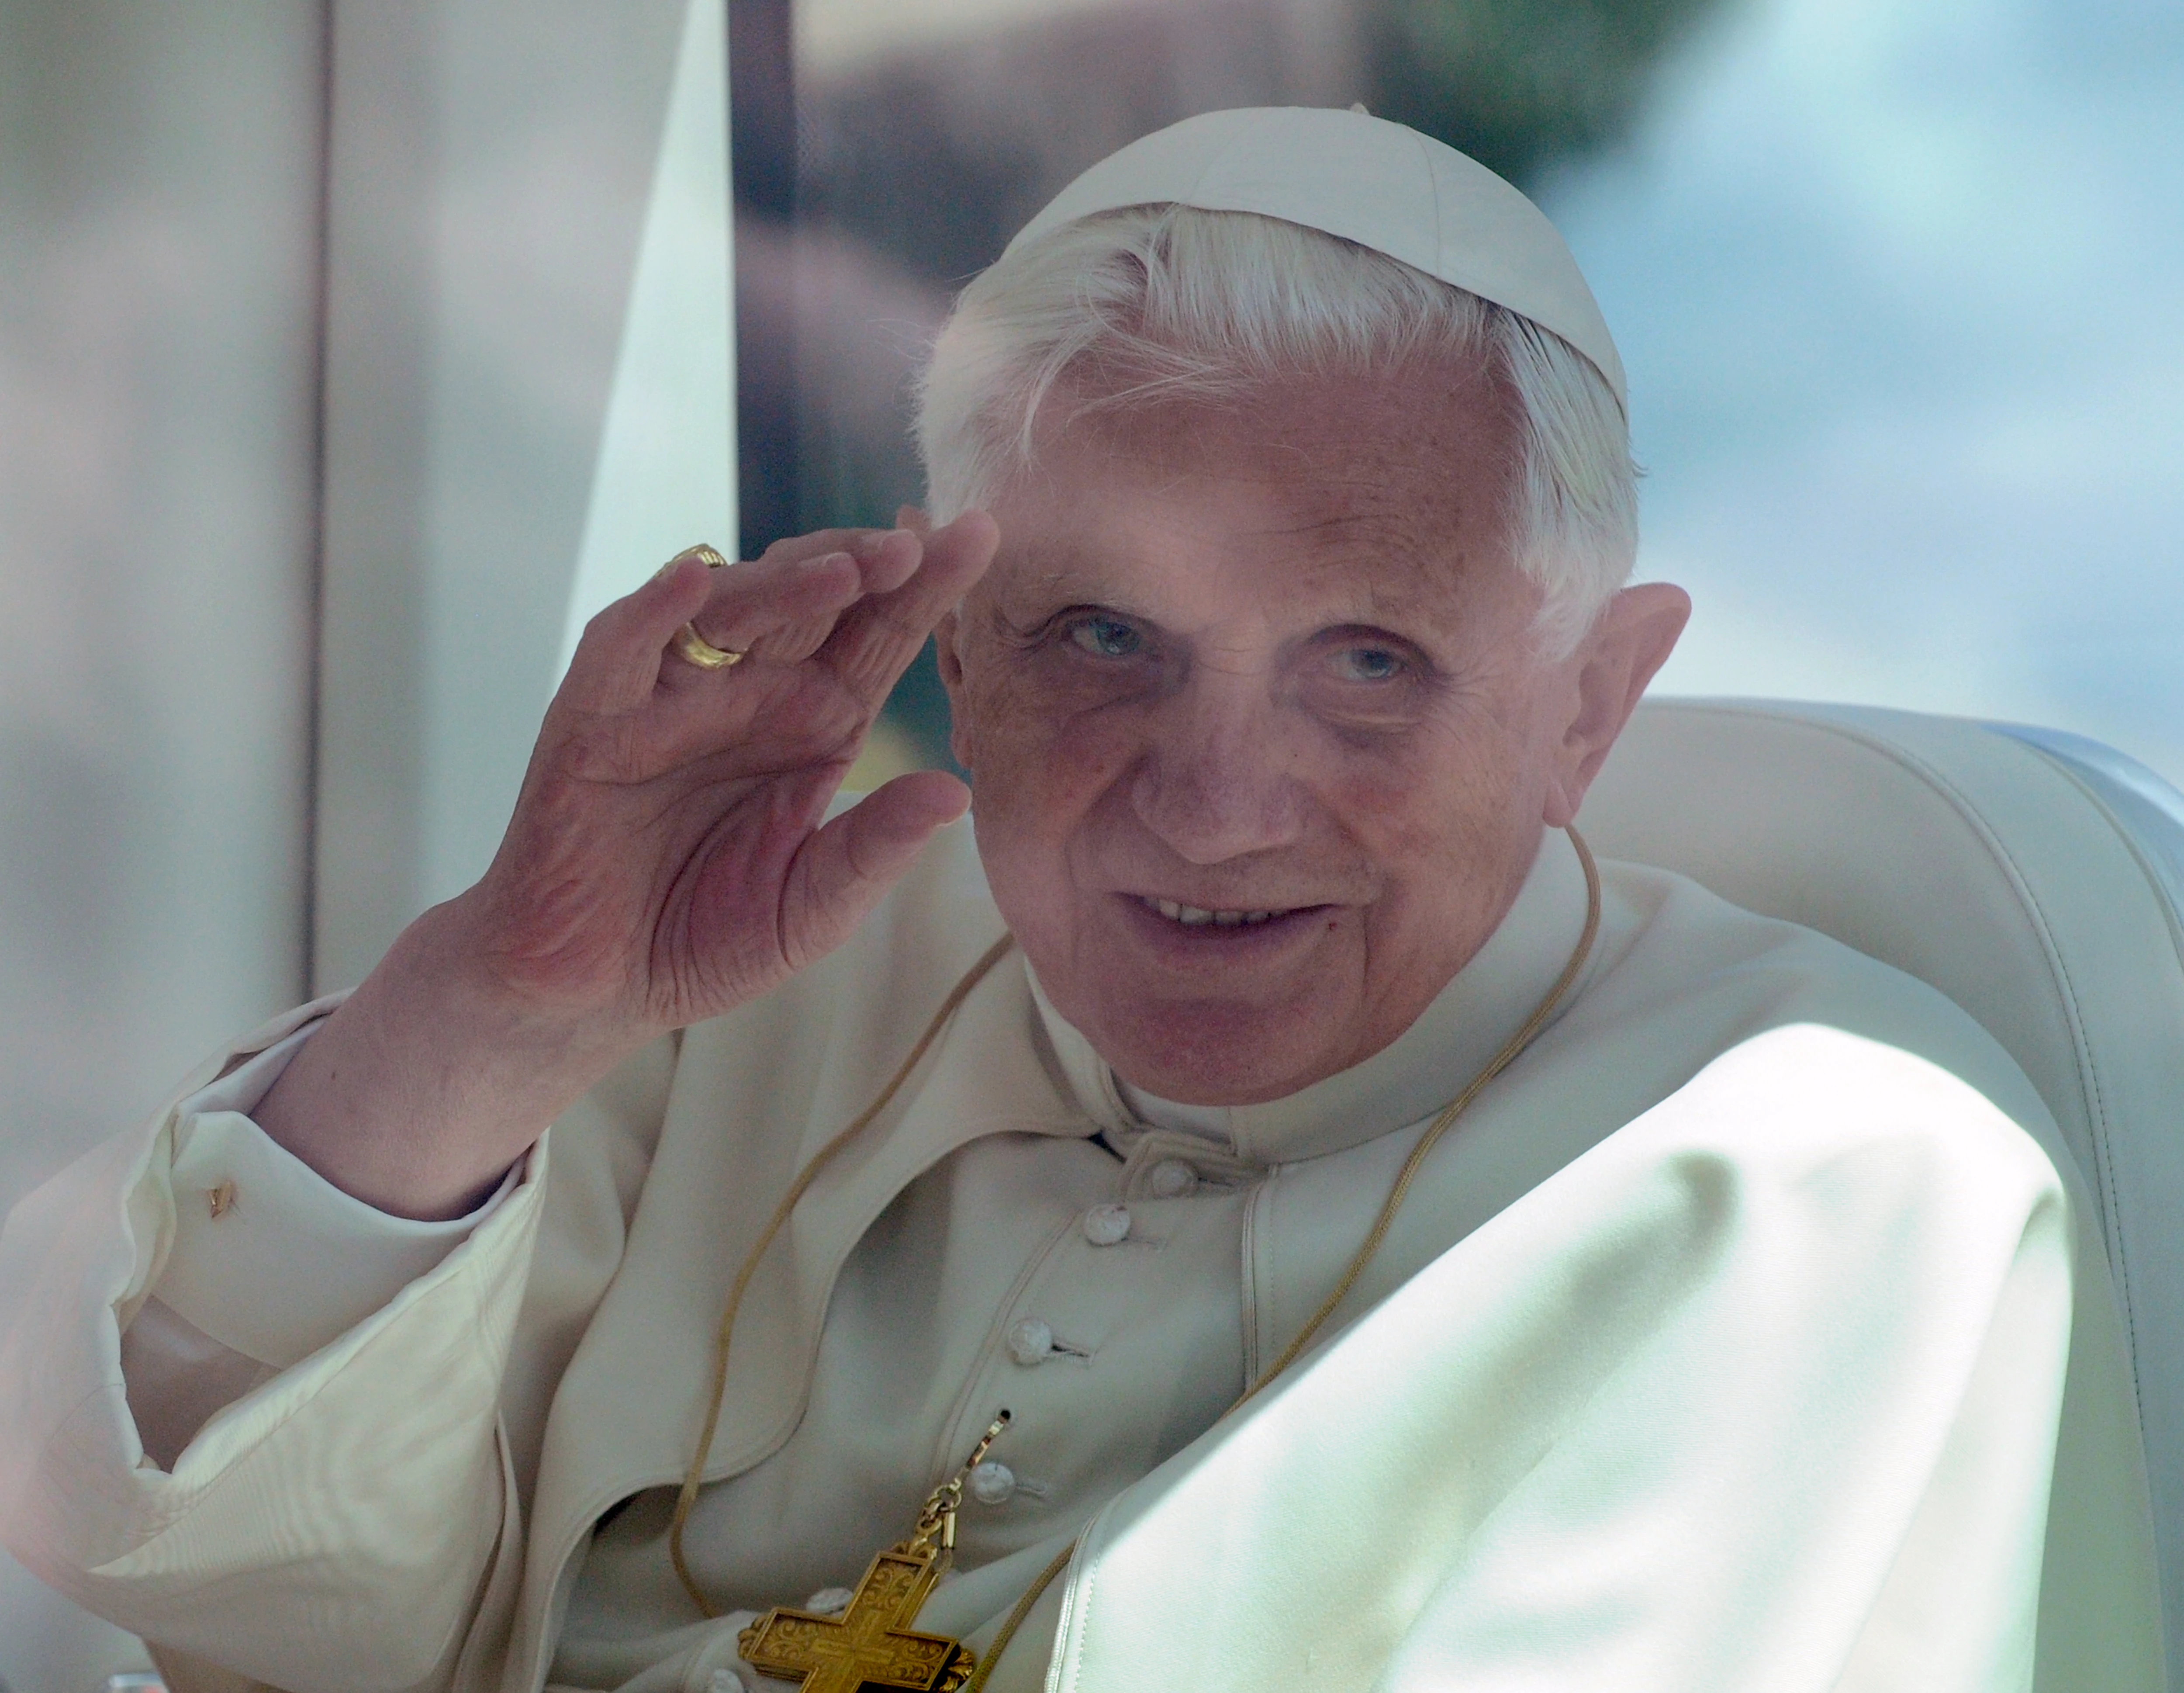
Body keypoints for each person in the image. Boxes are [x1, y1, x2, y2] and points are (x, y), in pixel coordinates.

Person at [0, 107, 2161, 1693]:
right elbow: (191, 1577)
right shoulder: (738, 1009)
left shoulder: (1833, 1195)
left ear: (1587, 702)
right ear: (958, 657)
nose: (1215, 811)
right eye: (1099, 641)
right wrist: (494, 1005)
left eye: (1368, 661)